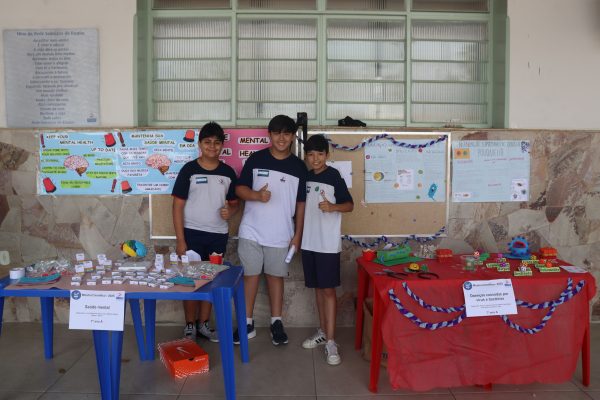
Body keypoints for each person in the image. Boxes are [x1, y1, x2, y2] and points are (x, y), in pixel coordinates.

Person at [234, 114, 308, 346]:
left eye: (286, 133)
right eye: (277, 133)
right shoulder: (256, 159)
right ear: (270, 135)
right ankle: (246, 323)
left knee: (276, 277)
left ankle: (276, 322)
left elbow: (301, 204)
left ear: (293, 136)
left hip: (281, 233)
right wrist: (256, 195)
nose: (281, 138)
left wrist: (298, 235)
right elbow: (239, 189)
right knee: (250, 276)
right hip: (251, 231)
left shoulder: (299, 167)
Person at [172, 122, 239, 342]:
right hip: (191, 234)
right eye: (207, 142)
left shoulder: (228, 173)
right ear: (200, 144)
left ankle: (204, 325)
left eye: (217, 142)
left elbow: (234, 203)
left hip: (217, 235)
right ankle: (190, 325)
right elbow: (177, 206)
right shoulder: (189, 170)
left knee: (210, 281)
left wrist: (231, 211)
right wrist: (180, 240)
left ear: (222, 146)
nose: (212, 146)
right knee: (191, 280)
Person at [300, 134, 353, 365]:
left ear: (327, 155)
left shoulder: (334, 176)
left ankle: (331, 341)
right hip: (308, 242)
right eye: (311, 155)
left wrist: (332, 207)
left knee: (328, 290)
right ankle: (322, 332)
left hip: (327, 244)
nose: (315, 159)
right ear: (306, 156)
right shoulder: (305, 177)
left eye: (320, 154)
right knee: (318, 289)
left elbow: (349, 205)